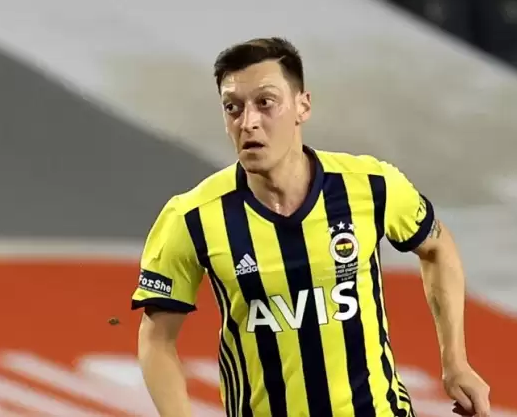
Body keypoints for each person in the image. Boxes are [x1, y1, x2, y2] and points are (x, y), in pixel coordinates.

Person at [131, 37, 491, 417]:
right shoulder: (192, 217)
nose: (248, 121)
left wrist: (456, 362)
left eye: (265, 103)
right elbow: (156, 340)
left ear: (302, 106)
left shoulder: (371, 185)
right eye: (232, 107)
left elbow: (437, 246)